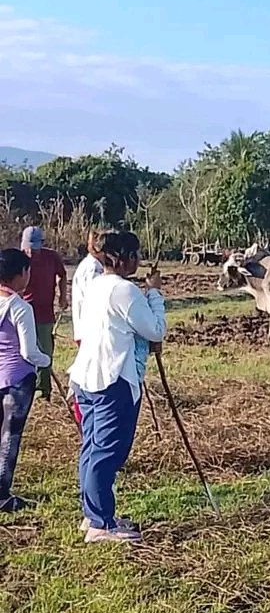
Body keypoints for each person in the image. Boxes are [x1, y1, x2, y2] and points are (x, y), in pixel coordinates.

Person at [68, 231, 165, 543]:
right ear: (123, 258)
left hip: (87, 377)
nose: (138, 260)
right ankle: (100, 525)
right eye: (135, 254)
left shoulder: (96, 285)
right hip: (113, 380)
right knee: (108, 452)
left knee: (92, 448)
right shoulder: (125, 291)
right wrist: (154, 294)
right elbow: (155, 329)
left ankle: (94, 514)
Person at [0, 249, 51, 513]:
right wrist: (45, 361)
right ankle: (2, 493)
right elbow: (28, 352)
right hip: (18, 379)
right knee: (10, 436)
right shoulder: (20, 307)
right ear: (21, 274)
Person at [20, 226, 67, 400]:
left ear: (42, 244)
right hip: (23, 310)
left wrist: (62, 297)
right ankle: (24, 386)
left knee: (45, 350)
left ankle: (43, 389)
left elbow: (62, 275)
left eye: (34, 247)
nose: (31, 251)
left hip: (45, 312)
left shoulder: (52, 257)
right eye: (28, 247)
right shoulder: (19, 259)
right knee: (23, 351)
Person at [69, 230, 106, 423]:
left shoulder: (91, 265)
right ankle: (82, 413)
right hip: (89, 329)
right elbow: (99, 299)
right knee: (88, 376)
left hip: (85, 327)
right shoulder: (93, 269)